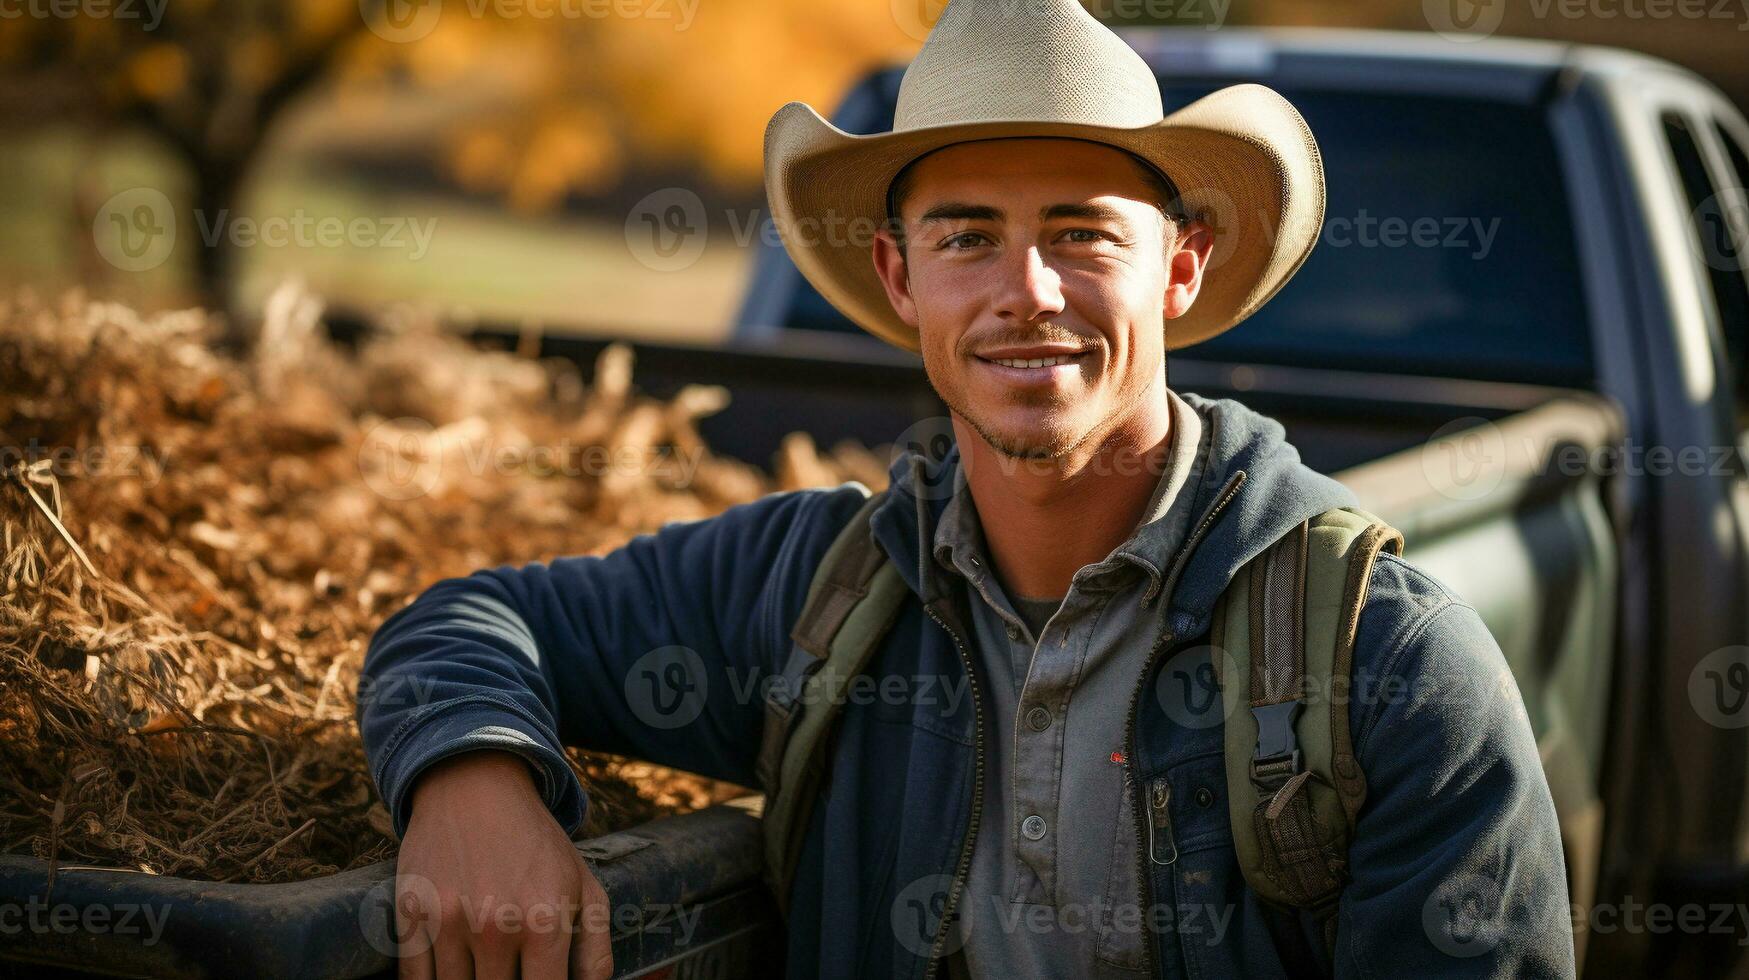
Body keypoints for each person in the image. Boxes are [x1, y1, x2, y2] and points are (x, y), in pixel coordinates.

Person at [358, 0, 1577, 976]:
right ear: (899, 277)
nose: (1029, 290)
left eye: (1085, 233)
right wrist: (474, 780)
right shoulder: (816, 584)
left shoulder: (1391, 668)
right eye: (967, 236)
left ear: (1183, 266)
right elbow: (467, 620)